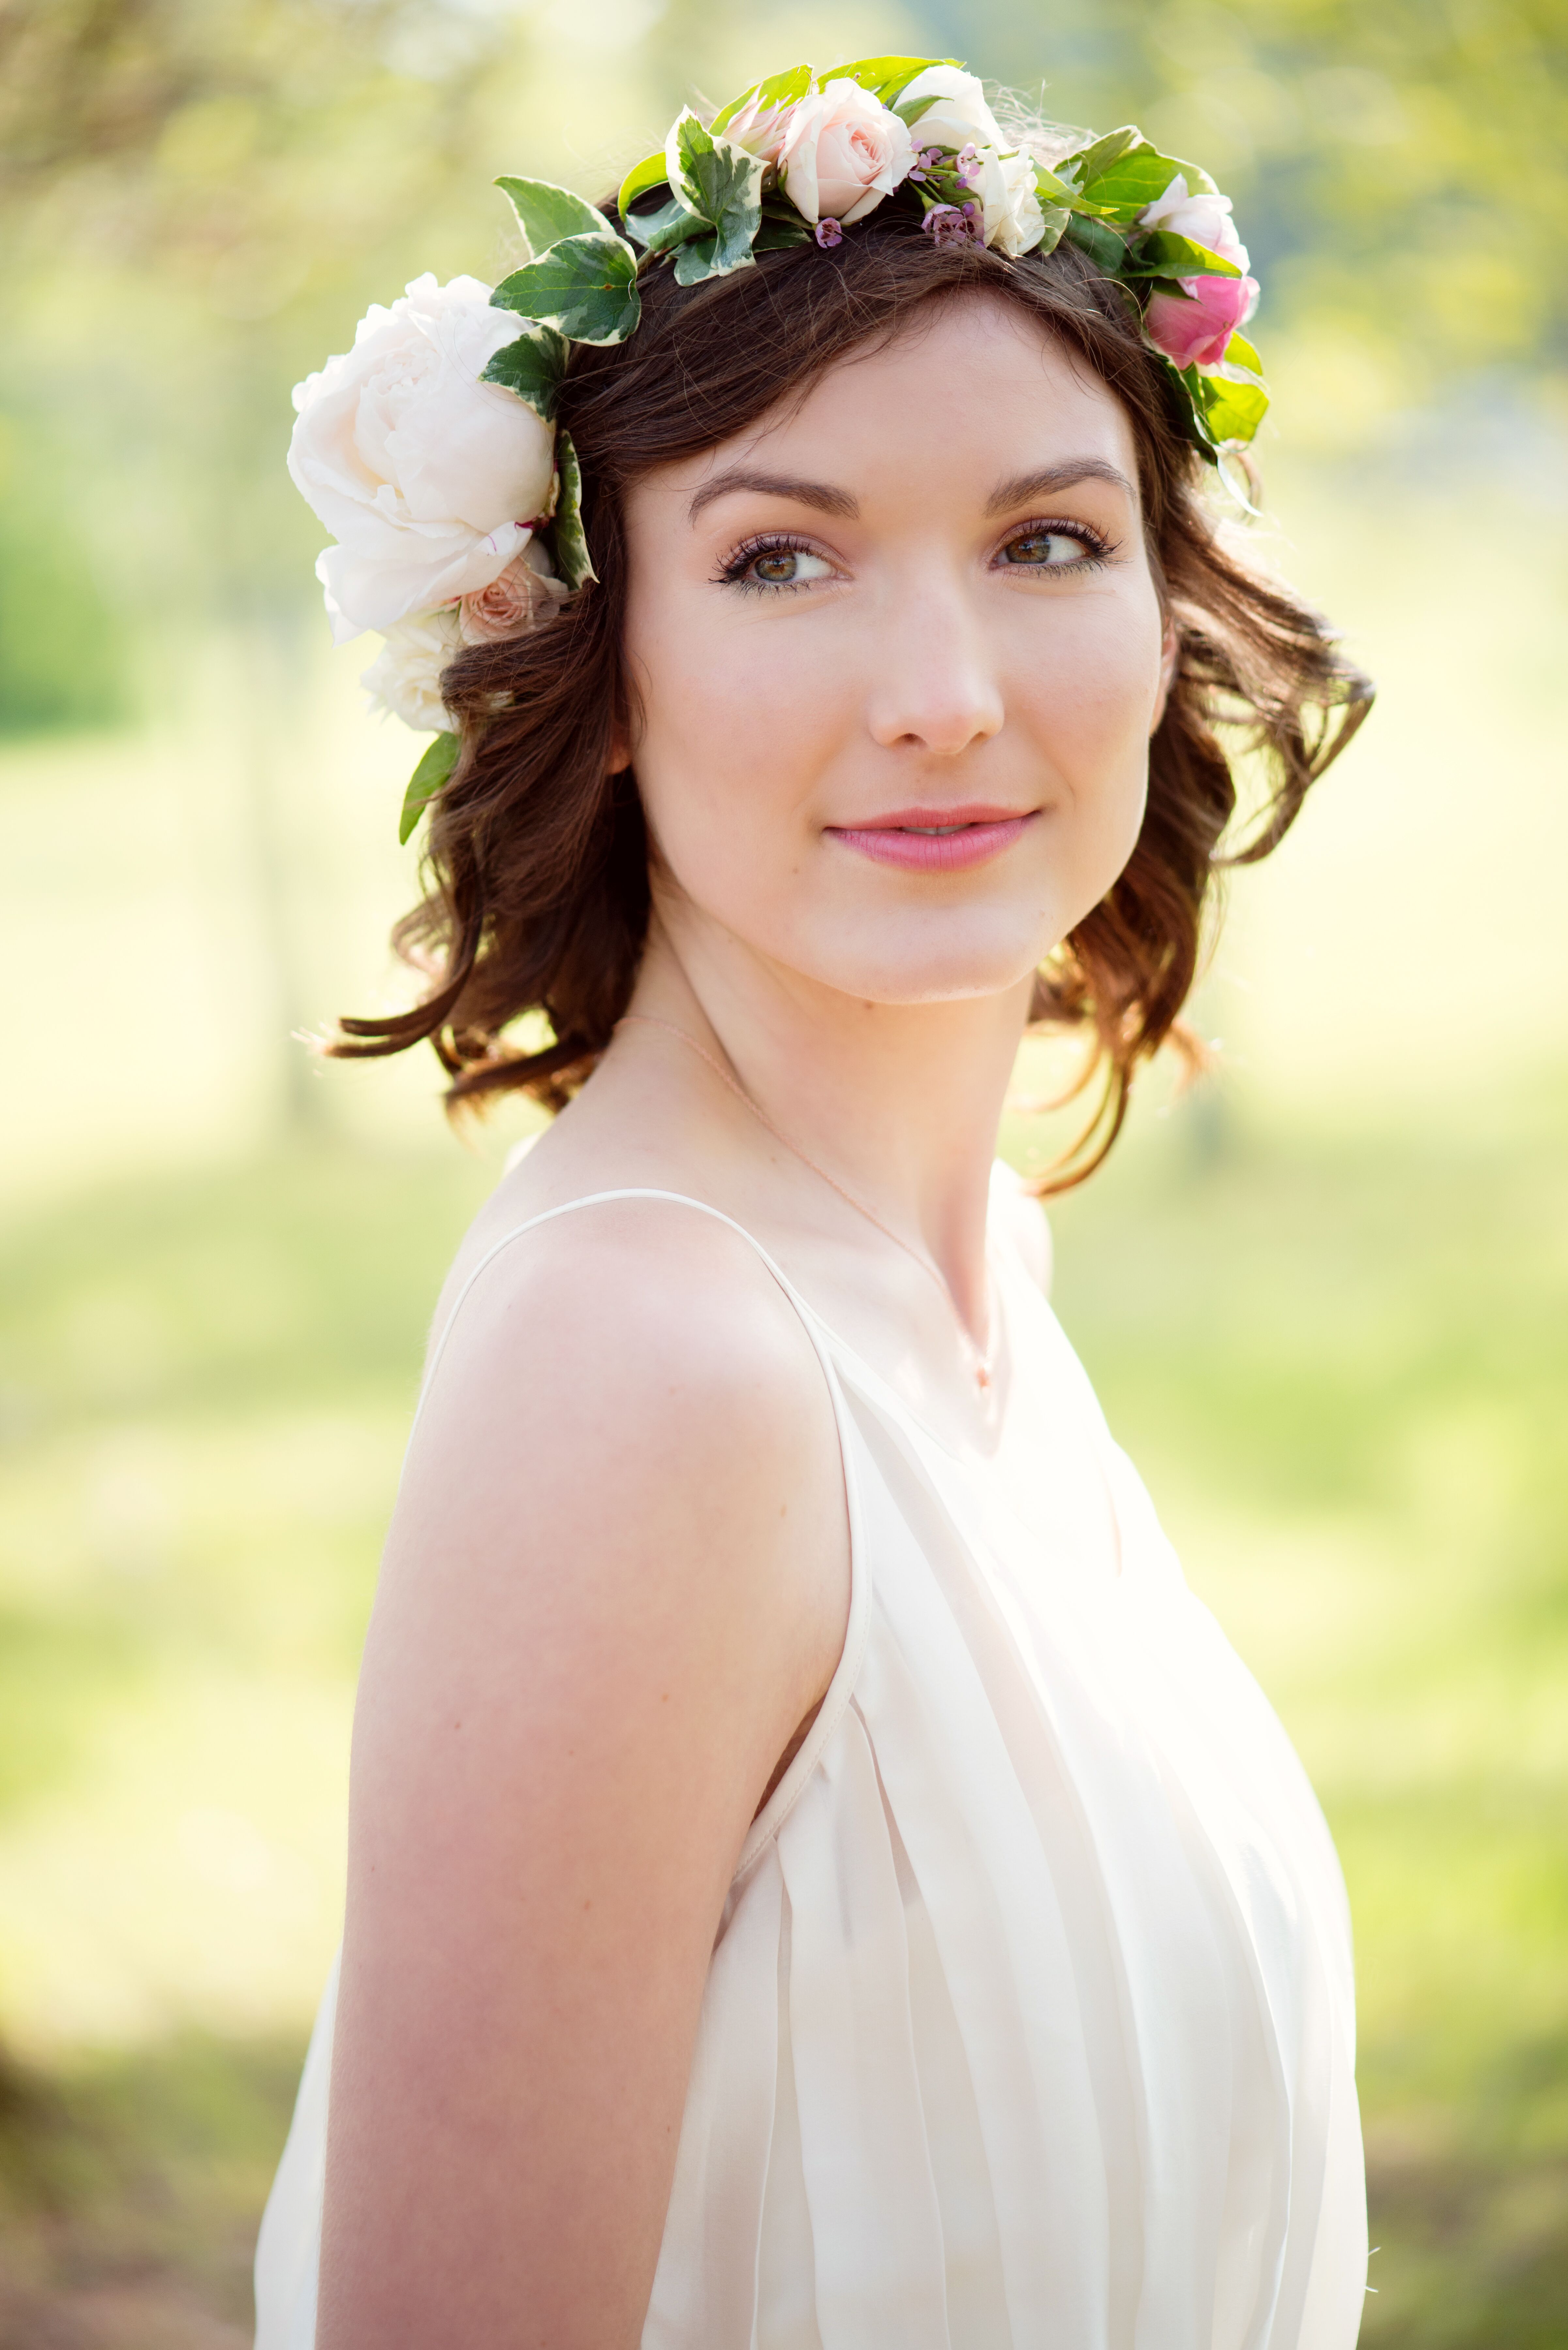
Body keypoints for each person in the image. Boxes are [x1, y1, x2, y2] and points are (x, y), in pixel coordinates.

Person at [257, 56, 1374, 2350]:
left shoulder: (970, 1292)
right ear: (603, 664)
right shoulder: (651, 1367)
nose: (946, 696)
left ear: (1169, 613)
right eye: (782, 559)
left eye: (1044, 539)